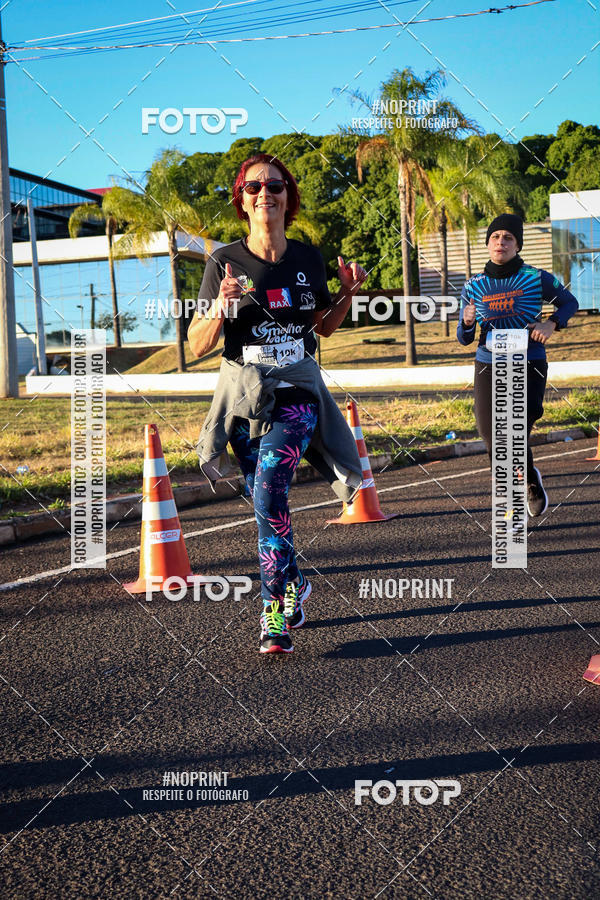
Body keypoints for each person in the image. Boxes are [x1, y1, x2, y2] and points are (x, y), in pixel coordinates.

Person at [189, 153, 367, 654]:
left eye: (275, 185)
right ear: (241, 201)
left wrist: (348, 293)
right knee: (265, 502)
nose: (264, 193)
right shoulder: (223, 261)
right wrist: (222, 307)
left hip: (296, 389)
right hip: (245, 394)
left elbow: (322, 327)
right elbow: (199, 342)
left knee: (269, 489)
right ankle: (294, 584)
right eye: (253, 187)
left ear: (288, 198)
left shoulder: (307, 258)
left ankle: (273, 615)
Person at [457, 213, 578, 516]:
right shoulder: (474, 285)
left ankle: (528, 478)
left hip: (529, 360)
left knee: (520, 425)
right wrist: (468, 323)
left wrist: (552, 323)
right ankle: (519, 485)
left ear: (517, 245)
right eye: (495, 236)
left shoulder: (536, 277)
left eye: (508, 237)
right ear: (488, 244)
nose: (501, 242)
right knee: (490, 432)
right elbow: (463, 337)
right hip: (489, 362)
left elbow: (570, 302)